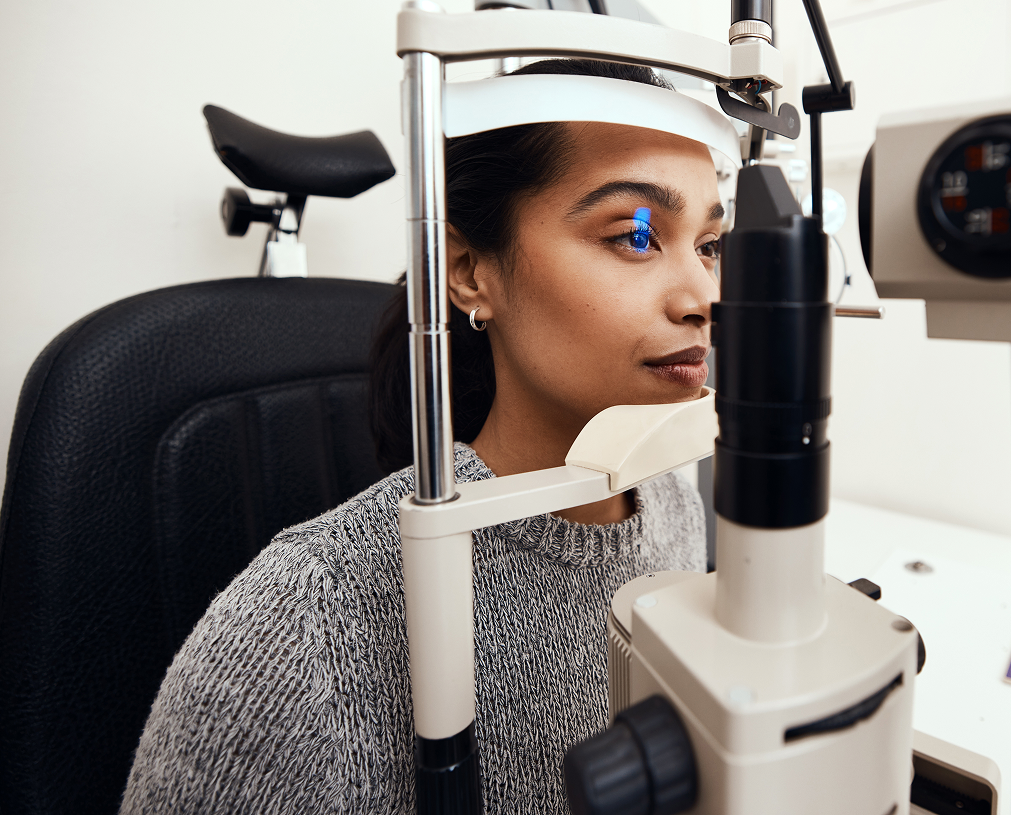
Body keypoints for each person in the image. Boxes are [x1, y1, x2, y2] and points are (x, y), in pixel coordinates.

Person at [121, 60, 719, 813]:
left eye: (709, 245)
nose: (705, 296)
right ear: (469, 271)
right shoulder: (307, 623)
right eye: (636, 233)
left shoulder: (673, 501)